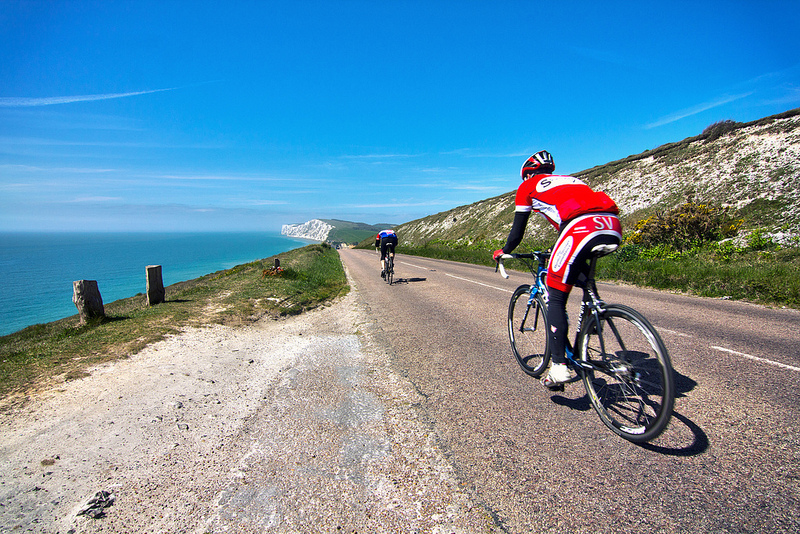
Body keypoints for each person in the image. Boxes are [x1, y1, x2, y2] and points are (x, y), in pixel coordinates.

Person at [493, 150, 622, 389]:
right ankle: (595, 315)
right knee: (579, 273)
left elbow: (517, 232)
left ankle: (559, 367)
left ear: (527, 174)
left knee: (556, 295)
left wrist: (504, 250)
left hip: (580, 227)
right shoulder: (573, 180)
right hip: (611, 224)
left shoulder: (528, 186)